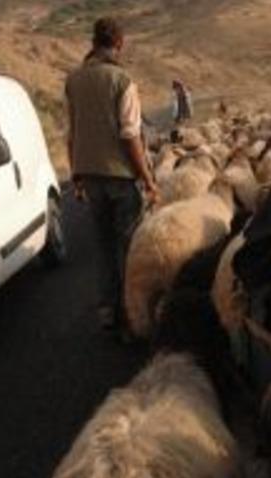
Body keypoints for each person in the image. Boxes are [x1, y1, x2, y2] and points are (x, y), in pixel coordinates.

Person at [65, 17, 159, 335]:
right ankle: (132, 317)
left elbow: (73, 131)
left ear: (94, 42)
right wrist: (146, 177)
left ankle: (108, 310)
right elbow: (130, 135)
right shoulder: (122, 81)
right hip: (120, 177)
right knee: (129, 247)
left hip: (89, 176)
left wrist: (76, 174)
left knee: (104, 246)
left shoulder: (74, 80)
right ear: (119, 43)